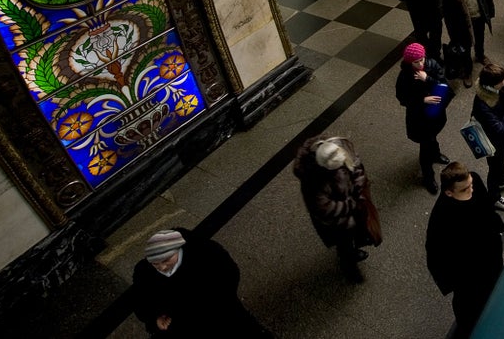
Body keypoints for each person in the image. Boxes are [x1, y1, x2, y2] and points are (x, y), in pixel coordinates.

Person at [132, 228, 268, 337]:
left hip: (221, 313)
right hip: (179, 325)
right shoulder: (144, 272)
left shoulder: (204, 252)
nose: (162, 267)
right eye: (156, 263)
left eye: (166, 260)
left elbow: (229, 273)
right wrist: (154, 319)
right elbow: (140, 301)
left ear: (178, 250)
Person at [426, 162, 504, 339]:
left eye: (470, 185)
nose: (471, 190)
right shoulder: (441, 219)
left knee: (494, 291)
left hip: (490, 258)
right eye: (464, 190)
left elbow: (486, 206)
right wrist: (456, 282)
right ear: (448, 192)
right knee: (470, 311)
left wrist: (496, 229)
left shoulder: (474, 180)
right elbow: (434, 257)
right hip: (469, 276)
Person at [293, 135, 379, 281]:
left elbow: (356, 165)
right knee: (343, 242)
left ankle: (352, 251)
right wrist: (351, 204)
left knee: (354, 233)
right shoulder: (313, 180)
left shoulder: (338, 148)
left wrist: (359, 184)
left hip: (352, 208)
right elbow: (324, 208)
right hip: (337, 221)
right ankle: (349, 267)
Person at [395, 42, 451, 195]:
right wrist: (422, 100)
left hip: (435, 113)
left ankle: (435, 153)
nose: (420, 64)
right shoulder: (405, 75)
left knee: (432, 136)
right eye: (416, 61)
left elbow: (444, 85)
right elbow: (402, 97)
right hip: (419, 117)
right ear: (409, 62)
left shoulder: (432, 65)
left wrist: (427, 79)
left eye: (422, 59)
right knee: (425, 145)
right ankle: (428, 177)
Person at [473, 63, 504, 211]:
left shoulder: (500, 87)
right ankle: (494, 197)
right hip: (491, 142)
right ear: (490, 85)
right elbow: (500, 129)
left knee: (501, 158)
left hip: (500, 141)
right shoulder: (482, 105)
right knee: (494, 167)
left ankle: (503, 180)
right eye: (500, 82)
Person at [442, 0, 495, 85]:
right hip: (463, 24)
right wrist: (452, 31)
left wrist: (490, 12)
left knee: (480, 38)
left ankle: (480, 55)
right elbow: (448, 14)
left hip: (479, 17)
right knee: (465, 47)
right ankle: (467, 71)